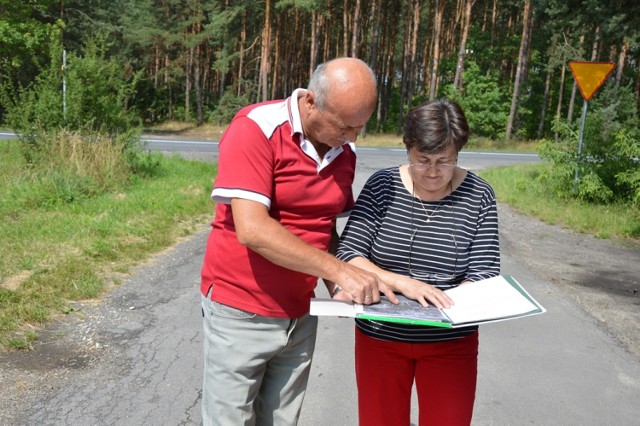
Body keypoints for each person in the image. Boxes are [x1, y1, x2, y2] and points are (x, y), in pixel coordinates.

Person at [199, 57, 396, 426]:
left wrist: (337, 283)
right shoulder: (256, 128)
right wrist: (339, 270)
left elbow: (323, 228)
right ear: (310, 102)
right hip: (242, 310)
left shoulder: (343, 151)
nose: (352, 137)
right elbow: (252, 229)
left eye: (360, 127)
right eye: (344, 125)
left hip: (300, 314)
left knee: (281, 420)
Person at [335, 99, 500, 426]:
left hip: (451, 343)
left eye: (445, 160)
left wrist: (456, 301)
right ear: (407, 148)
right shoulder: (383, 186)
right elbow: (349, 253)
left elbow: (484, 271)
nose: (434, 172)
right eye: (422, 160)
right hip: (379, 338)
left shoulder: (479, 194)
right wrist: (402, 282)